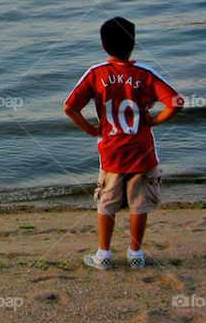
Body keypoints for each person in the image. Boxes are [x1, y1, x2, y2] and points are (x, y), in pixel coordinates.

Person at [64, 17, 183, 270]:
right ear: (133, 44)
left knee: (106, 202)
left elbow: (70, 107)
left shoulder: (96, 74)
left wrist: (91, 129)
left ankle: (104, 254)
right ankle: (135, 253)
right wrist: (154, 120)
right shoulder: (144, 73)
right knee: (140, 203)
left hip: (111, 150)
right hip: (142, 150)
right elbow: (176, 102)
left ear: (103, 45)